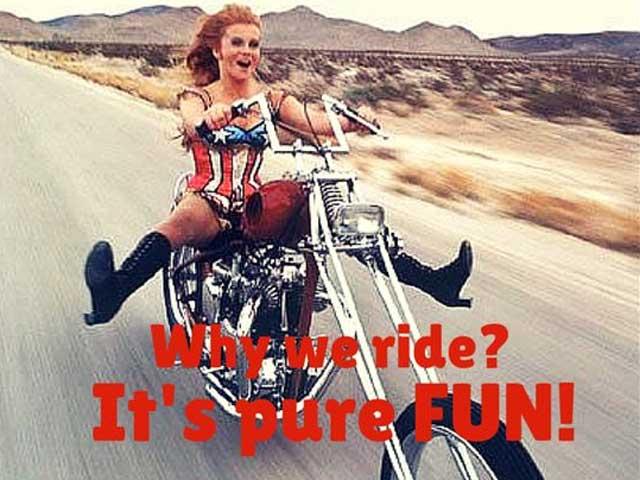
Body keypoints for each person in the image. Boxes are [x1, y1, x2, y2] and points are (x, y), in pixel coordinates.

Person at [84, 4, 473, 326]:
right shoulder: (198, 96)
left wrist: (350, 122)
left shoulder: (271, 100)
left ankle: (434, 281)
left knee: (338, 218)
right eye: (237, 42)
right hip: (209, 200)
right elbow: (191, 122)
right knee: (178, 224)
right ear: (217, 49)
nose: (247, 51)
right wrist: (208, 119)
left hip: (254, 202)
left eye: (254, 44)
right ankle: (113, 291)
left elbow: (315, 124)